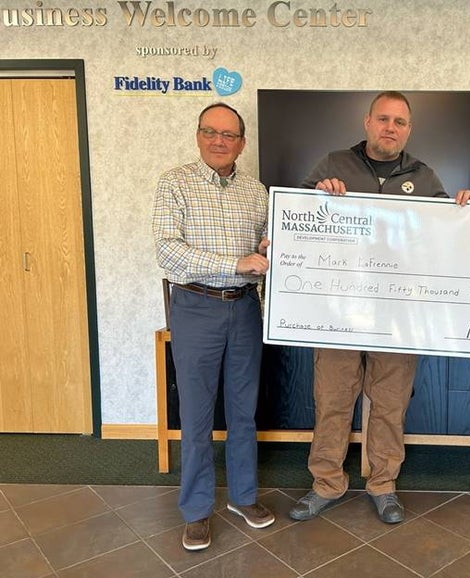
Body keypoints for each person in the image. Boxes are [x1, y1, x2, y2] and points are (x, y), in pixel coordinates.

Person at [288, 91, 470, 524]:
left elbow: (444, 238)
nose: (391, 128)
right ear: (367, 122)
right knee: (332, 400)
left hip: (398, 318)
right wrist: (318, 195)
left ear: (408, 130)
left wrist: (464, 213)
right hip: (337, 313)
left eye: (400, 122)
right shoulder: (333, 164)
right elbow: (292, 216)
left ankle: (383, 484)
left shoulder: (425, 177)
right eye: (384, 119)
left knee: (390, 404)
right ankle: (326, 484)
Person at [152, 103, 274, 551]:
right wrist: (234, 263)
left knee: (243, 412)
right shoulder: (174, 183)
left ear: (242, 142)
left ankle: (243, 497)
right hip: (195, 307)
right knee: (197, 416)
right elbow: (169, 253)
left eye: (229, 134)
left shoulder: (257, 192)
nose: (219, 141)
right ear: (198, 135)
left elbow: (263, 254)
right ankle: (197, 511)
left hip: (244, 309)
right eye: (210, 132)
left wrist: (267, 248)